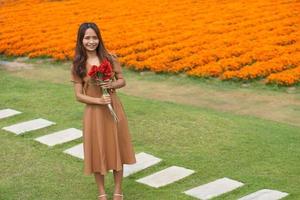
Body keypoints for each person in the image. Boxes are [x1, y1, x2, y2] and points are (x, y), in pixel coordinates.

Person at [70, 22, 137, 200]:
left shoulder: (109, 57)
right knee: (96, 150)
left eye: (94, 37)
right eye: (87, 38)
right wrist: (98, 100)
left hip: (113, 108)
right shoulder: (78, 64)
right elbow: (78, 95)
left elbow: (122, 80)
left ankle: (118, 190)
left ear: (99, 38)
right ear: (81, 40)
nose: (91, 41)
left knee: (117, 147)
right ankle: (101, 192)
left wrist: (111, 84)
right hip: (94, 112)